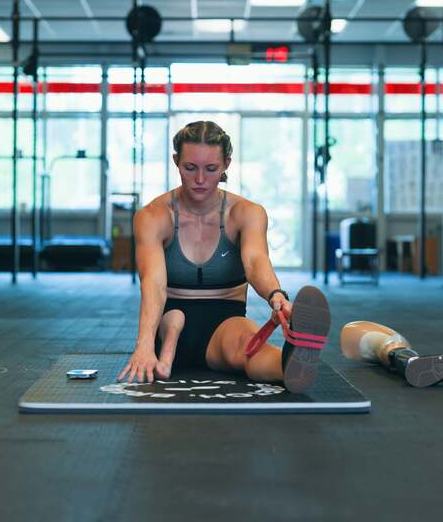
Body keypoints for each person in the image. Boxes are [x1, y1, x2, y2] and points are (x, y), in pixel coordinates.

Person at [119, 121, 331, 393]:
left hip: (224, 322)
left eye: (211, 169)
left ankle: (292, 363)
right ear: (176, 161)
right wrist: (144, 346)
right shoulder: (153, 216)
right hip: (167, 315)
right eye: (190, 168)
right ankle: (169, 336)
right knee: (172, 319)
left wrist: (276, 295)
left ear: (226, 164)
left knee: (247, 347)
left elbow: (256, 261)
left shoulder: (246, 213)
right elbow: (153, 283)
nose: (199, 179)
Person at [340, 321, 443, 387]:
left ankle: (409, 361)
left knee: (389, 346)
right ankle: (410, 360)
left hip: (361, 339)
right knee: (392, 344)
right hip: (365, 340)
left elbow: (351, 334)